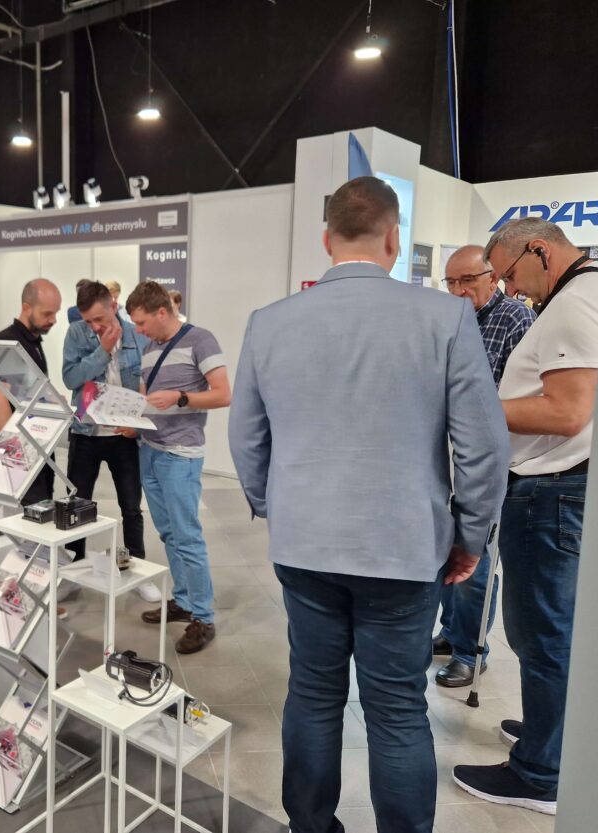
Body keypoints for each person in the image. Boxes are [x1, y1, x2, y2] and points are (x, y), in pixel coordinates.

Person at [229, 176, 509, 833]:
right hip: (403, 545)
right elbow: (483, 445)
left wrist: (276, 506)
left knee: (312, 692)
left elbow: (246, 438)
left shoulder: (269, 322)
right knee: (397, 708)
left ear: (327, 239)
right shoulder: (445, 317)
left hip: (305, 544)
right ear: (394, 238)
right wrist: (470, 535)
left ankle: (311, 826)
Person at [453, 219, 598, 816]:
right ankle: (553, 737)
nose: (511, 290)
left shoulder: (572, 305)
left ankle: (541, 774)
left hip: (551, 492)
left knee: (542, 635)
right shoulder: (589, 290)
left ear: (539, 250)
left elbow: (566, 412)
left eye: (510, 275)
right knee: (553, 630)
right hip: (562, 489)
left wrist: (474, 408)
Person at [433, 245, 537, 688]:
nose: (458, 290)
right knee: (447, 552)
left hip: (489, 460)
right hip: (447, 455)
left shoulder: (515, 319)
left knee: (475, 558)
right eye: (451, 282)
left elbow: (523, 393)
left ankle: (469, 652)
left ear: (492, 278)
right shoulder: (447, 320)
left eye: (468, 280)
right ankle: (451, 631)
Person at [127, 280, 231, 654]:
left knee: (187, 536)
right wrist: (130, 420)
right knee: (169, 534)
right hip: (150, 450)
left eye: (142, 323)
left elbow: (223, 394)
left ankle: (203, 617)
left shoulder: (201, 340)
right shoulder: (149, 349)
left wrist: (181, 397)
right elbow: (145, 401)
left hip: (180, 455)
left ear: (162, 312)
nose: (139, 331)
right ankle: (184, 601)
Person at [61, 280, 160, 602]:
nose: (94, 326)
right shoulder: (76, 334)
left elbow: (148, 384)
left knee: (131, 507)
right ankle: (72, 570)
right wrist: (102, 351)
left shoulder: (136, 335)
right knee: (77, 505)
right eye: (88, 320)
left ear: (113, 307)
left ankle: (136, 568)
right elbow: (71, 379)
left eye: (99, 319)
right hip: (86, 433)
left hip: (124, 436)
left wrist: (138, 425)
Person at [0, 278, 62, 506]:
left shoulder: (32, 341)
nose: (54, 320)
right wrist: (13, 449)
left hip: (38, 441)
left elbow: (30, 389)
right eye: (47, 313)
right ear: (26, 308)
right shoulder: (7, 342)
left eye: (55, 313)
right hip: (21, 448)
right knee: (29, 512)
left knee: (42, 508)